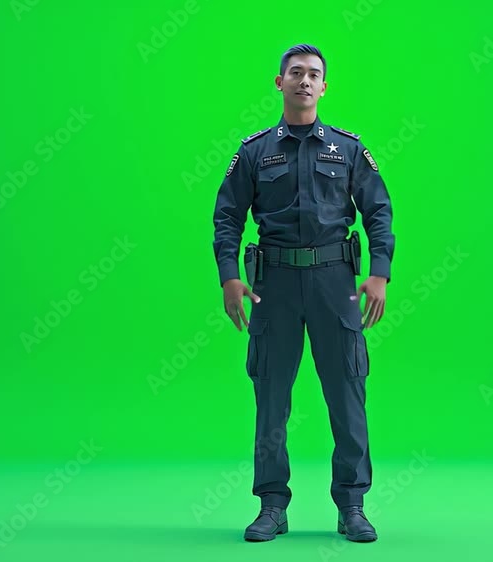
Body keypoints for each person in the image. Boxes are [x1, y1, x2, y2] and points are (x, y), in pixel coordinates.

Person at [211, 44, 394, 543]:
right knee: (271, 396)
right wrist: (229, 275)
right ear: (280, 82)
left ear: (324, 87)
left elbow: (379, 211)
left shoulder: (348, 149)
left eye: (314, 74)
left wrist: (380, 272)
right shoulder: (254, 152)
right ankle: (272, 505)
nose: (305, 81)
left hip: (335, 282)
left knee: (347, 393)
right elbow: (227, 216)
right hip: (274, 287)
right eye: (296, 73)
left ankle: (352, 505)